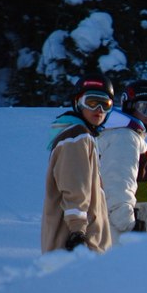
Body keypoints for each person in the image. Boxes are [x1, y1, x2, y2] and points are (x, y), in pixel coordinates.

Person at [41, 73, 114, 254]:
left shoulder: (81, 136)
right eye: (91, 102)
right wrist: (77, 232)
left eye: (105, 104)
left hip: (79, 247)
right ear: (77, 102)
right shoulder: (76, 137)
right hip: (76, 248)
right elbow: (75, 188)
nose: (98, 109)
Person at [97, 78, 147, 241]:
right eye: (146, 108)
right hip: (127, 239)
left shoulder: (123, 136)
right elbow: (117, 185)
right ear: (129, 107)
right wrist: (130, 227)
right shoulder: (125, 138)